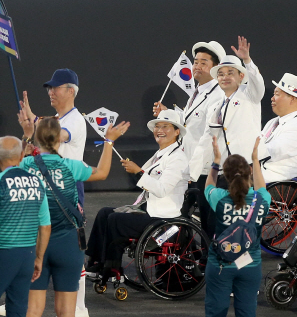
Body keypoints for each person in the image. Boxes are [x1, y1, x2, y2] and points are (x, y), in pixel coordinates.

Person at [19, 115, 129, 317]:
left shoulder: (26, 166)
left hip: (35, 244)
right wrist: (109, 141)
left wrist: (26, 138)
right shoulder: (71, 166)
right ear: (58, 139)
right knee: (67, 311)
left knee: (32, 309)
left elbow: (11, 168)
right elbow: (103, 172)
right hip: (68, 244)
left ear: (37, 139)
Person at [19, 67, 90, 317]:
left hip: (68, 192)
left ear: (71, 91)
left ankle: (79, 306)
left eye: (55, 88)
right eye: (49, 88)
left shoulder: (75, 120)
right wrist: (33, 123)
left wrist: (32, 125)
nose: (51, 92)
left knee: (70, 248)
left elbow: (55, 138)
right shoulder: (59, 119)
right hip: (49, 190)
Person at [86, 109, 189, 280]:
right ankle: (95, 263)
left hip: (164, 218)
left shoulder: (178, 158)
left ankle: (112, 268)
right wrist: (139, 172)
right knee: (105, 213)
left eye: (165, 126)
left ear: (177, 132)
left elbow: (162, 189)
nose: (159, 130)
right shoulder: (160, 155)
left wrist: (139, 172)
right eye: (157, 126)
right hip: (148, 209)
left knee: (115, 219)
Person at [0, 136, 51, 317]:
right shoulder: (37, 182)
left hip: (2, 255)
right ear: (22, 156)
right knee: (17, 309)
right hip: (27, 256)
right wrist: (38, 258)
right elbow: (45, 226)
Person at [153, 40, 226, 238]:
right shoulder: (197, 90)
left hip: (205, 166)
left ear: (215, 67)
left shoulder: (218, 95)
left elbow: (208, 134)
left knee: (206, 219)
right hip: (191, 162)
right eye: (195, 62)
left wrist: (193, 168)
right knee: (188, 215)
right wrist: (168, 112)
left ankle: (207, 260)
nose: (197, 66)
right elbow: (190, 122)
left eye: (204, 62)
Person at [204, 136, 270, 317]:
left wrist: (216, 161)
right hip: (250, 264)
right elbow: (261, 186)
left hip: (220, 265)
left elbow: (208, 185)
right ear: (249, 171)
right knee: (247, 312)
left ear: (226, 175)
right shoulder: (262, 199)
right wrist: (255, 159)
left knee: (215, 311)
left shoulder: (218, 197)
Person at [190, 36, 266, 188]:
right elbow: (207, 139)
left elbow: (258, 85)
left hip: (248, 165)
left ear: (241, 76)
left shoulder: (249, 94)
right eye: (221, 74)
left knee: (246, 210)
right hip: (226, 168)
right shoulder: (216, 106)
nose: (225, 77)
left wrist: (247, 61)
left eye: (230, 73)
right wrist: (192, 172)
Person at [258, 73, 297, 182]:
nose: (272, 98)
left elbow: (272, 152)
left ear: (292, 99)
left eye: (277, 94)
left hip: (281, 181)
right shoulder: (273, 122)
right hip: (263, 174)